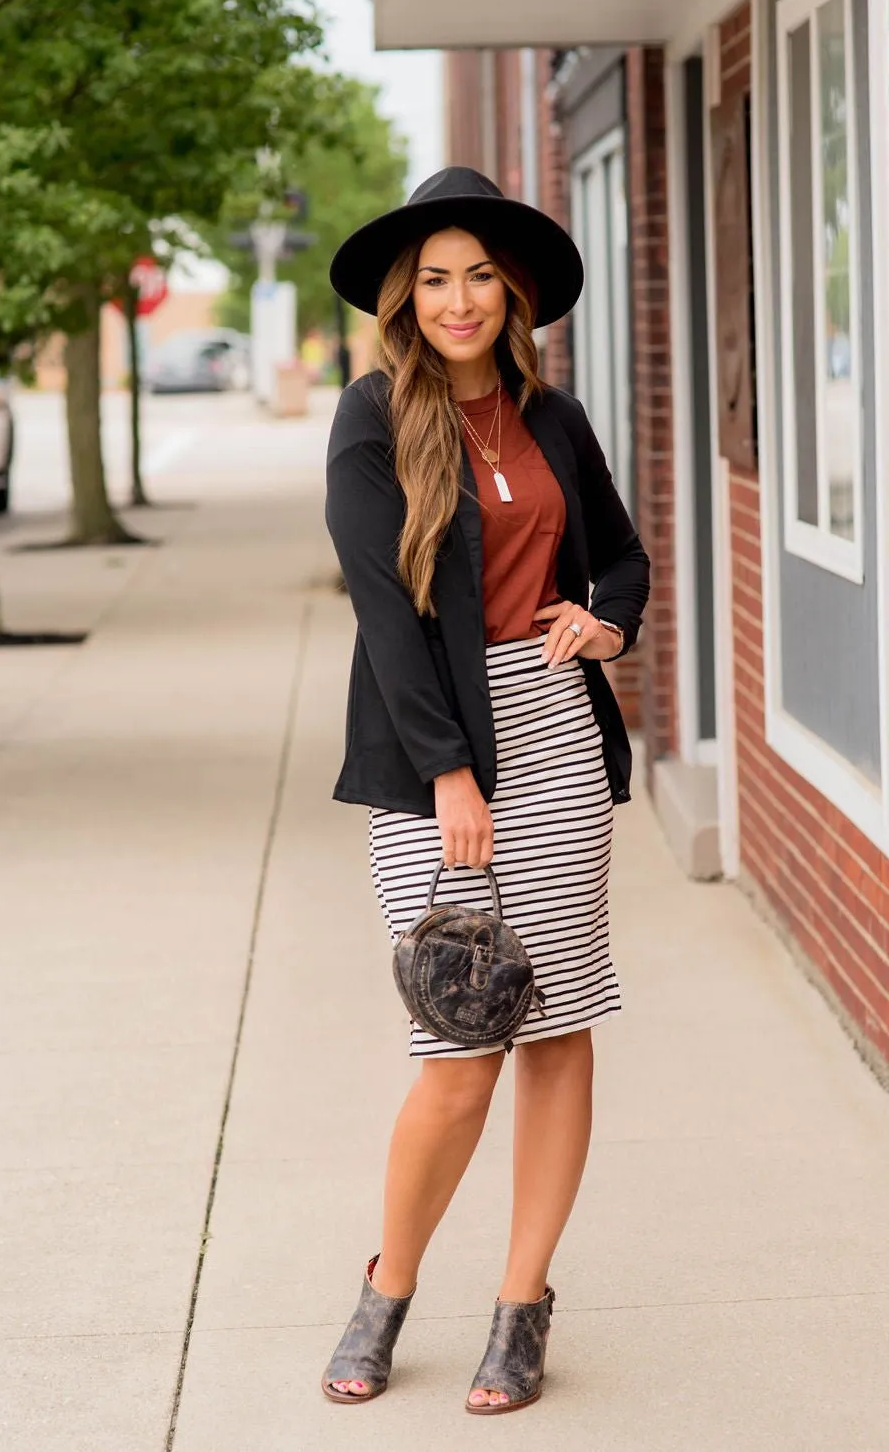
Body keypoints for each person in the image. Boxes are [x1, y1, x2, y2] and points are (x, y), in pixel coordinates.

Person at [321, 166, 650, 1416]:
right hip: (434, 753)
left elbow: (617, 555)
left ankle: (521, 1303)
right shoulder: (371, 418)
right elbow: (385, 617)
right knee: (458, 1042)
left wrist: (604, 626)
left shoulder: (552, 419)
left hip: (557, 742)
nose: (458, 299)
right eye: (435, 277)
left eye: (479, 276)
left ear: (510, 292)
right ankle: (388, 1283)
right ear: (408, 296)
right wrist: (449, 768)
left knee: (556, 1029)